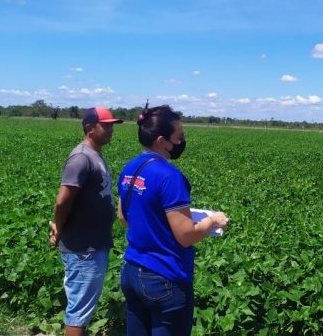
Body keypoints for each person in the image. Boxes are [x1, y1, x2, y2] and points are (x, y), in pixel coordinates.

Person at [117, 104, 228, 336]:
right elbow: (186, 236)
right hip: (164, 277)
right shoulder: (170, 177)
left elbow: (123, 218)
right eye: (178, 137)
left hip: (131, 271)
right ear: (161, 140)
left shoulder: (130, 168)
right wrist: (212, 221)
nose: (181, 142)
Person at [49, 107, 123, 336]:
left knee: (82, 308)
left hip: (92, 244)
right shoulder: (81, 158)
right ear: (90, 128)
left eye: (112, 125)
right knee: (79, 311)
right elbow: (62, 202)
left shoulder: (94, 154)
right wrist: (59, 227)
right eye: (106, 125)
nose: (111, 129)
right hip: (83, 248)